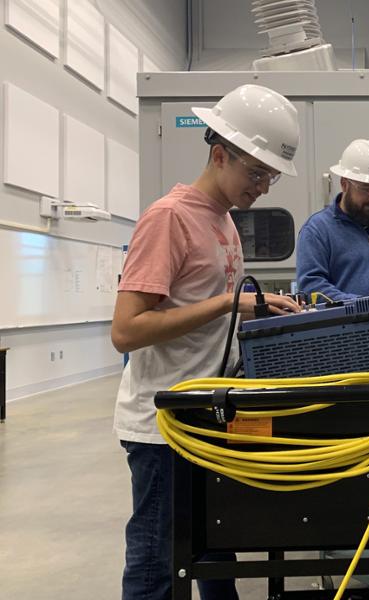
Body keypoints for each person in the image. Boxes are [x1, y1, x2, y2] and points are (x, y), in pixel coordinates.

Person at [111, 84, 302, 600]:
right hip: (162, 428)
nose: (264, 186)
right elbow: (126, 330)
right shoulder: (168, 218)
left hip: (205, 416)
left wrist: (263, 315)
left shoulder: (223, 223)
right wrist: (226, 303)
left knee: (215, 547)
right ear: (219, 155)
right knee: (157, 562)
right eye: (256, 172)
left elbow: (206, 315)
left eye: (271, 175)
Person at [295, 139, 369, 302]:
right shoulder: (317, 230)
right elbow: (312, 287)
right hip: (344, 326)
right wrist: (364, 306)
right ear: (344, 184)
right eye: (365, 188)